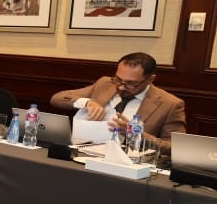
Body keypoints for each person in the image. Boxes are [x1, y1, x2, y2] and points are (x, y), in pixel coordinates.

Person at [50, 52, 187, 151]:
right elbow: (57, 98)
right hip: (84, 151)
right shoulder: (105, 83)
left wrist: (133, 133)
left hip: (127, 164)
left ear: (150, 80)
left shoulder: (170, 104)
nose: (121, 87)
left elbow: (175, 148)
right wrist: (87, 102)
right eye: (118, 79)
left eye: (130, 83)